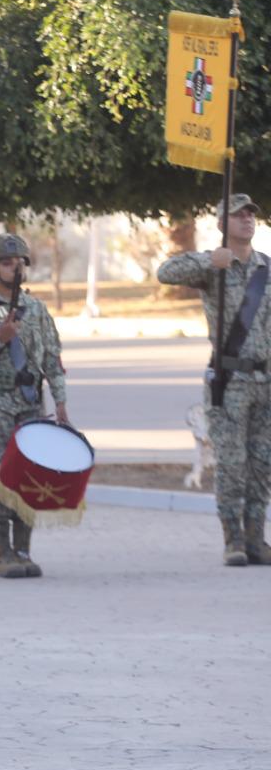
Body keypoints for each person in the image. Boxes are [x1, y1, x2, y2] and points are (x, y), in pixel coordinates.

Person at [157, 194, 271, 566]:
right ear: (222, 224)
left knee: (261, 464)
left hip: (265, 381)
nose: (247, 221)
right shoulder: (214, 267)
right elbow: (165, 273)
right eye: (237, 216)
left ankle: (257, 539)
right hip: (230, 380)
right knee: (232, 463)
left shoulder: (266, 269)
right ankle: (233, 540)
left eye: (250, 215)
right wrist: (209, 259)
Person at [0, 234, 70, 577]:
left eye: (20, 262)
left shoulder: (37, 309)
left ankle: (23, 548)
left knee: (28, 475)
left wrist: (61, 401)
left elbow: (52, 357)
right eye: (7, 263)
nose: (15, 268)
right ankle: (2, 551)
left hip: (29, 403)